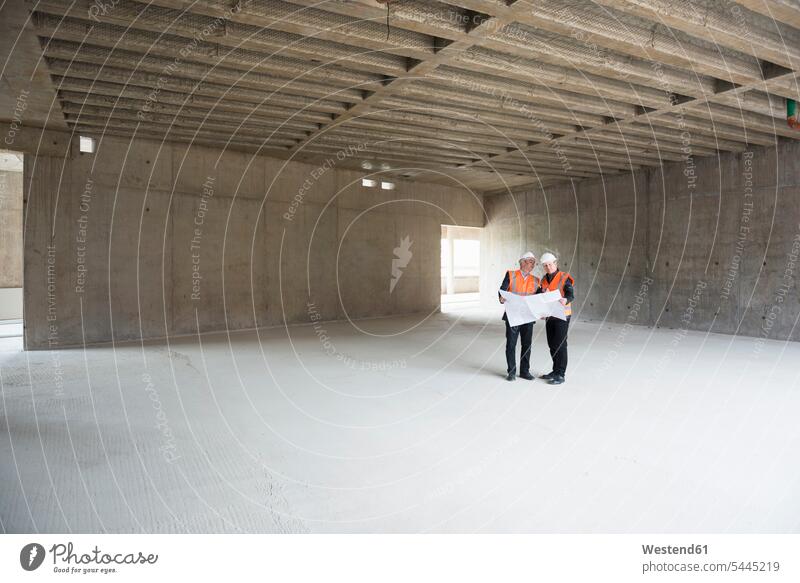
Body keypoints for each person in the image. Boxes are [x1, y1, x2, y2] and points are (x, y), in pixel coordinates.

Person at [499, 252, 540, 381]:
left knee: (526, 344)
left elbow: (538, 297)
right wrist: (501, 297)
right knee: (511, 344)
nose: (532, 264)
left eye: (534, 262)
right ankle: (511, 372)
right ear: (522, 262)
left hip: (528, 316)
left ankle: (524, 371)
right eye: (530, 261)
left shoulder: (536, 280)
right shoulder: (511, 275)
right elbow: (502, 290)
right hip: (513, 315)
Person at [536, 252, 574, 385]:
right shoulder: (543, 280)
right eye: (545, 265)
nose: (548, 267)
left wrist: (566, 299)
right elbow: (539, 297)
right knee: (552, 344)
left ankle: (561, 374)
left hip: (562, 316)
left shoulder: (564, 277)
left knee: (560, 345)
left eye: (550, 264)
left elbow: (570, 294)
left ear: (555, 263)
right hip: (549, 315)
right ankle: (555, 371)